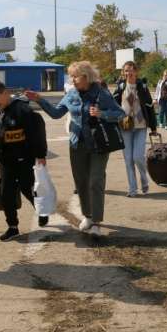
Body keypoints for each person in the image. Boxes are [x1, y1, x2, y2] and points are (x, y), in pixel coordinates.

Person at [25, 61, 125, 238]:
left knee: (95, 181)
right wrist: (39, 99)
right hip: (77, 144)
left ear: (86, 77)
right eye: (71, 76)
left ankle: (96, 222)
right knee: (81, 182)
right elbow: (56, 114)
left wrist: (103, 114)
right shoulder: (71, 94)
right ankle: (88, 215)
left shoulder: (101, 93)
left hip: (99, 145)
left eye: (75, 76)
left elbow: (120, 113)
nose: (72, 80)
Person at [0, 80, 48, 241]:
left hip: (24, 159)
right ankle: (12, 227)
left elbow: (37, 133)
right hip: (6, 161)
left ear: (5, 93)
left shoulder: (23, 110)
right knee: (6, 194)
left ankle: (42, 211)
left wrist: (40, 155)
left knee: (27, 189)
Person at [113, 61, 158, 197]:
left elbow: (149, 107)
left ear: (136, 71)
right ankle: (132, 189)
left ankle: (144, 179)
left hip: (140, 125)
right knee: (128, 159)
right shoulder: (120, 87)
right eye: (126, 70)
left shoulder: (142, 86)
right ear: (123, 72)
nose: (129, 72)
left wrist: (153, 127)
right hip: (125, 126)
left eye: (132, 70)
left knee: (138, 157)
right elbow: (113, 105)